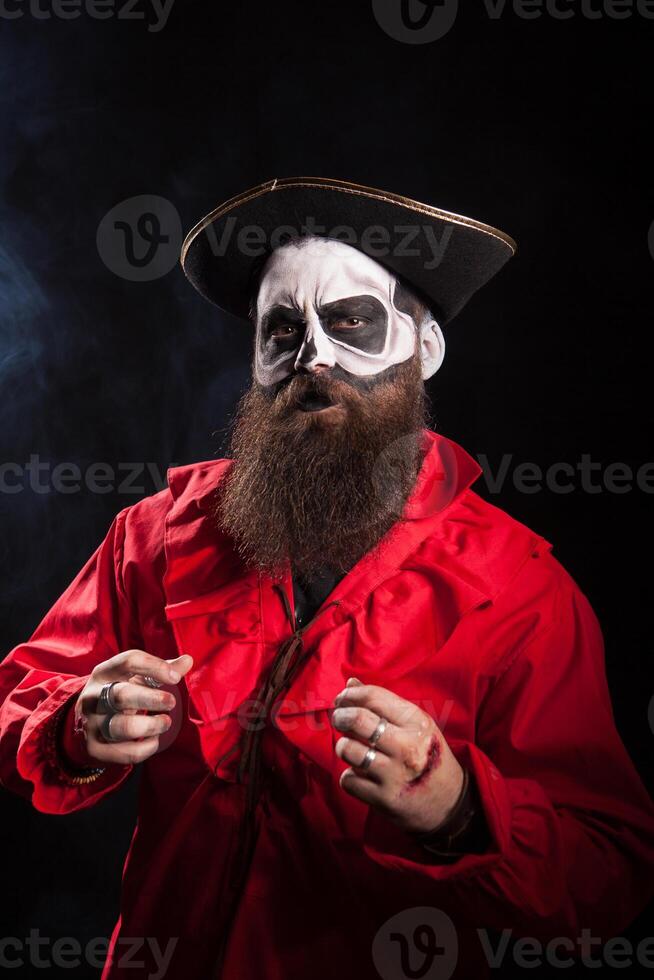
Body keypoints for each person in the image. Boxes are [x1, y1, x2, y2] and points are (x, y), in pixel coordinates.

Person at [1, 177, 653, 980]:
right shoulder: (154, 537)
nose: (314, 355)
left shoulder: (518, 586)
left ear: (424, 347)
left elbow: (608, 874)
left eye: (350, 322)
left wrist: (459, 809)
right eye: (282, 331)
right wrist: (75, 723)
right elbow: (21, 696)